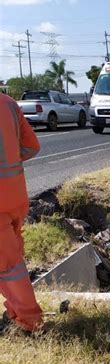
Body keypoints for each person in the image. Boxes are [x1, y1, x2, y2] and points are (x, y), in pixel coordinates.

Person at [0, 92, 43, 333]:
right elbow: (31, 146)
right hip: (15, 196)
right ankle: (17, 312)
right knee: (10, 261)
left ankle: (30, 322)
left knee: (9, 266)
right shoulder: (8, 103)